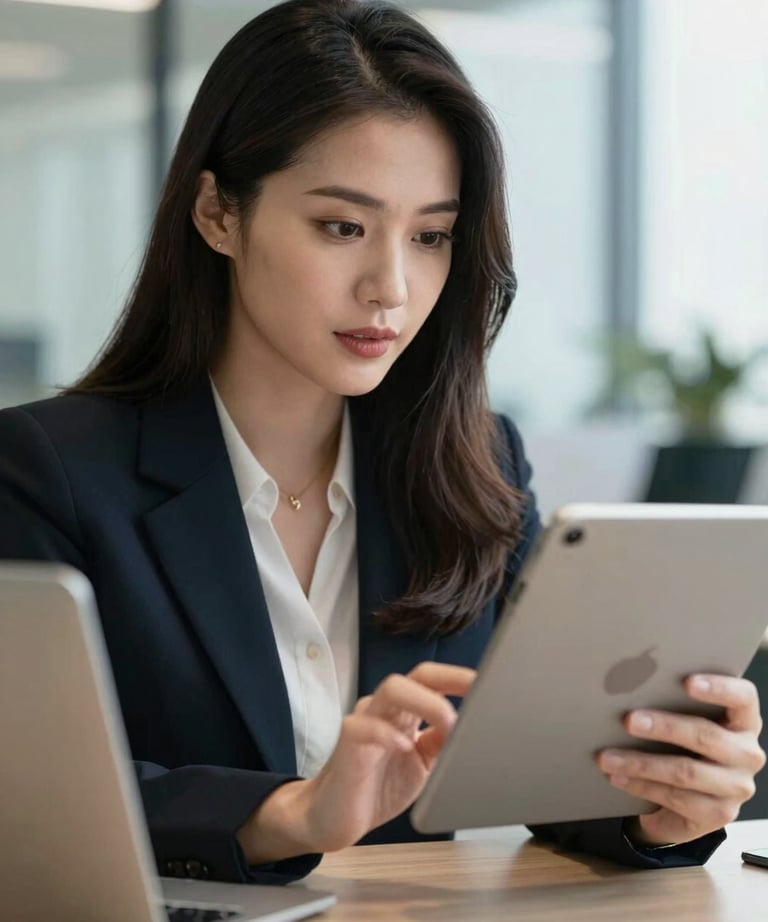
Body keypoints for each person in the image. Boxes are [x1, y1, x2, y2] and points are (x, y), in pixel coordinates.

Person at [0, 0, 763, 887]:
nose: (391, 287)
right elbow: (30, 801)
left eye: (431, 236)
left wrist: (661, 804)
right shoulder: (48, 471)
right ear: (217, 213)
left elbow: (543, 775)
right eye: (342, 227)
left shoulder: (475, 464)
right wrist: (289, 814)